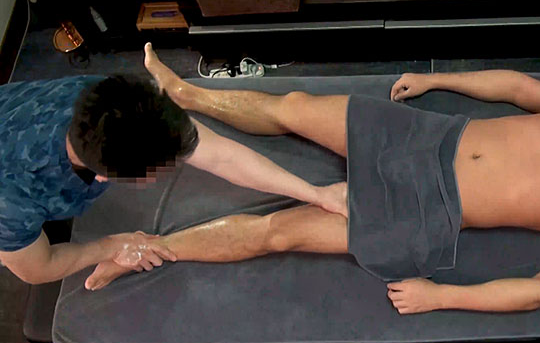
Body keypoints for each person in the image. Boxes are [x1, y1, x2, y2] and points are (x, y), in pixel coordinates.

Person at [81, 63, 540, 319]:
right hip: (427, 135)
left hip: (426, 212)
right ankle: (187, 93)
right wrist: (437, 81)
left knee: (277, 232)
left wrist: (441, 295)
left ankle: (145, 247)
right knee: (293, 107)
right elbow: (518, 87)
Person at [0, 44, 347, 287]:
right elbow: (37, 269)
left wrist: (316, 194)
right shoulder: (12, 203)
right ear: (103, 177)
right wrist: (114, 246)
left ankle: (183, 92)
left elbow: (221, 156)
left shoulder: (104, 96)